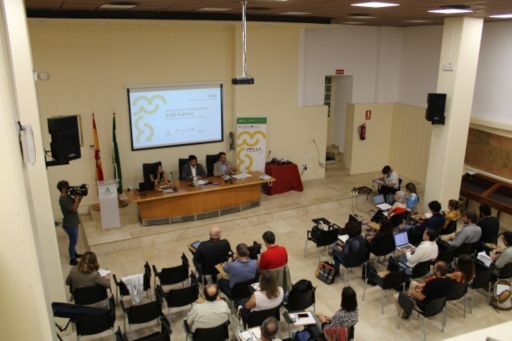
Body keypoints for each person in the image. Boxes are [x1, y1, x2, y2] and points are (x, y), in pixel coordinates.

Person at [57, 180, 83, 265]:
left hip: (73, 221)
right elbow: (73, 209)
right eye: (67, 186)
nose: (69, 188)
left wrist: (79, 197)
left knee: (74, 240)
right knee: (73, 241)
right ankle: (72, 259)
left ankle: (74, 254)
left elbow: (76, 205)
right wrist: (76, 200)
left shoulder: (67, 196)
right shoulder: (62, 200)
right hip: (69, 224)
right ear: (63, 189)